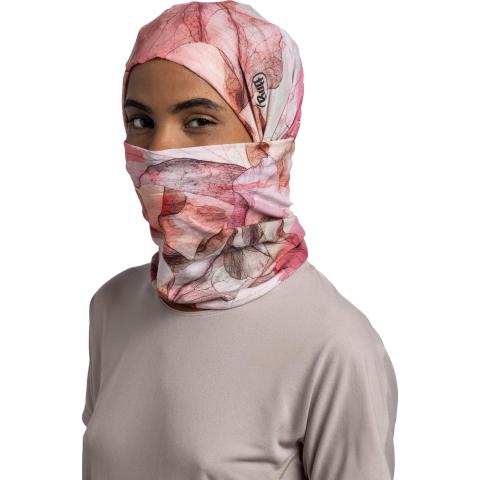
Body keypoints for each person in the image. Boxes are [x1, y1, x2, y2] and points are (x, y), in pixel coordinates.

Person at [81, 1, 398, 479]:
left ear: (268, 135)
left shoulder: (334, 345)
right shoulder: (113, 306)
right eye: (141, 121)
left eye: (198, 121)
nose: (159, 150)